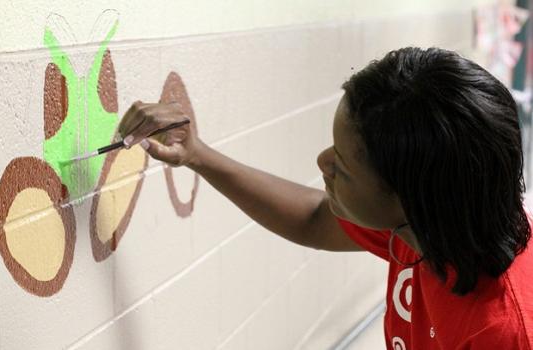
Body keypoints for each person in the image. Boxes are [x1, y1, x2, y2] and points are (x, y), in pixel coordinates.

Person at [118, 47, 533, 349]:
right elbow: (315, 218)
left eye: (344, 167)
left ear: (409, 199)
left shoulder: (504, 332)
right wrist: (197, 154)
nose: (322, 162)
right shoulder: (437, 224)